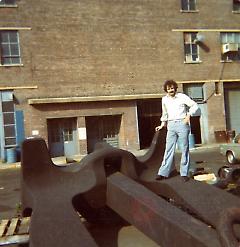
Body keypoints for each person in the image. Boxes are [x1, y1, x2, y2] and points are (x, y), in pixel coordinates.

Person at [155, 79, 199, 182]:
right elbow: (164, 113)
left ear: (175, 88)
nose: (171, 90)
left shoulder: (182, 97)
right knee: (168, 149)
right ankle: (163, 173)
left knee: (184, 148)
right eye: (169, 88)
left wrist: (188, 115)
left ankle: (184, 173)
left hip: (182, 123)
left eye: (172, 88)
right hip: (171, 125)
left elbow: (194, 105)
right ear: (166, 89)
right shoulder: (164, 99)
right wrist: (162, 125)